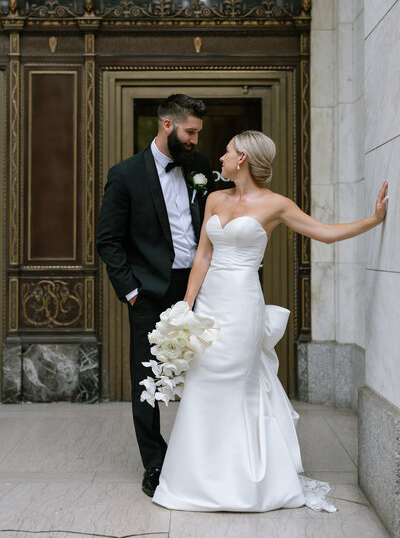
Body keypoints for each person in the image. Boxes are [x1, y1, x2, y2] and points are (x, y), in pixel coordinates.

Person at [152, 130, 388, 512]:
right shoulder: (214, 197)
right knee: (204, 380)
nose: (221, 157)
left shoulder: (276, 204)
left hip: (243, 304)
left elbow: (324, 234)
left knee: (235, 382)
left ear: (242, 158)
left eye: (227, 151)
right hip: (209, 303)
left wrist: (373, 221)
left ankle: (246, 481)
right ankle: (197, 478)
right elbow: (203, 257)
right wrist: (186, 306)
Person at [96, 94, 216, 497]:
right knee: (147, 379)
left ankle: (201, 454)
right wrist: (131, 291)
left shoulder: (199, 167)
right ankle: (155, 463)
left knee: (204, 372)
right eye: (191, 132)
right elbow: (108, 240)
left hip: (199, 288)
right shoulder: (126, 174)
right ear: (168, 126)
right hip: (148, 293)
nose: (196, 139)